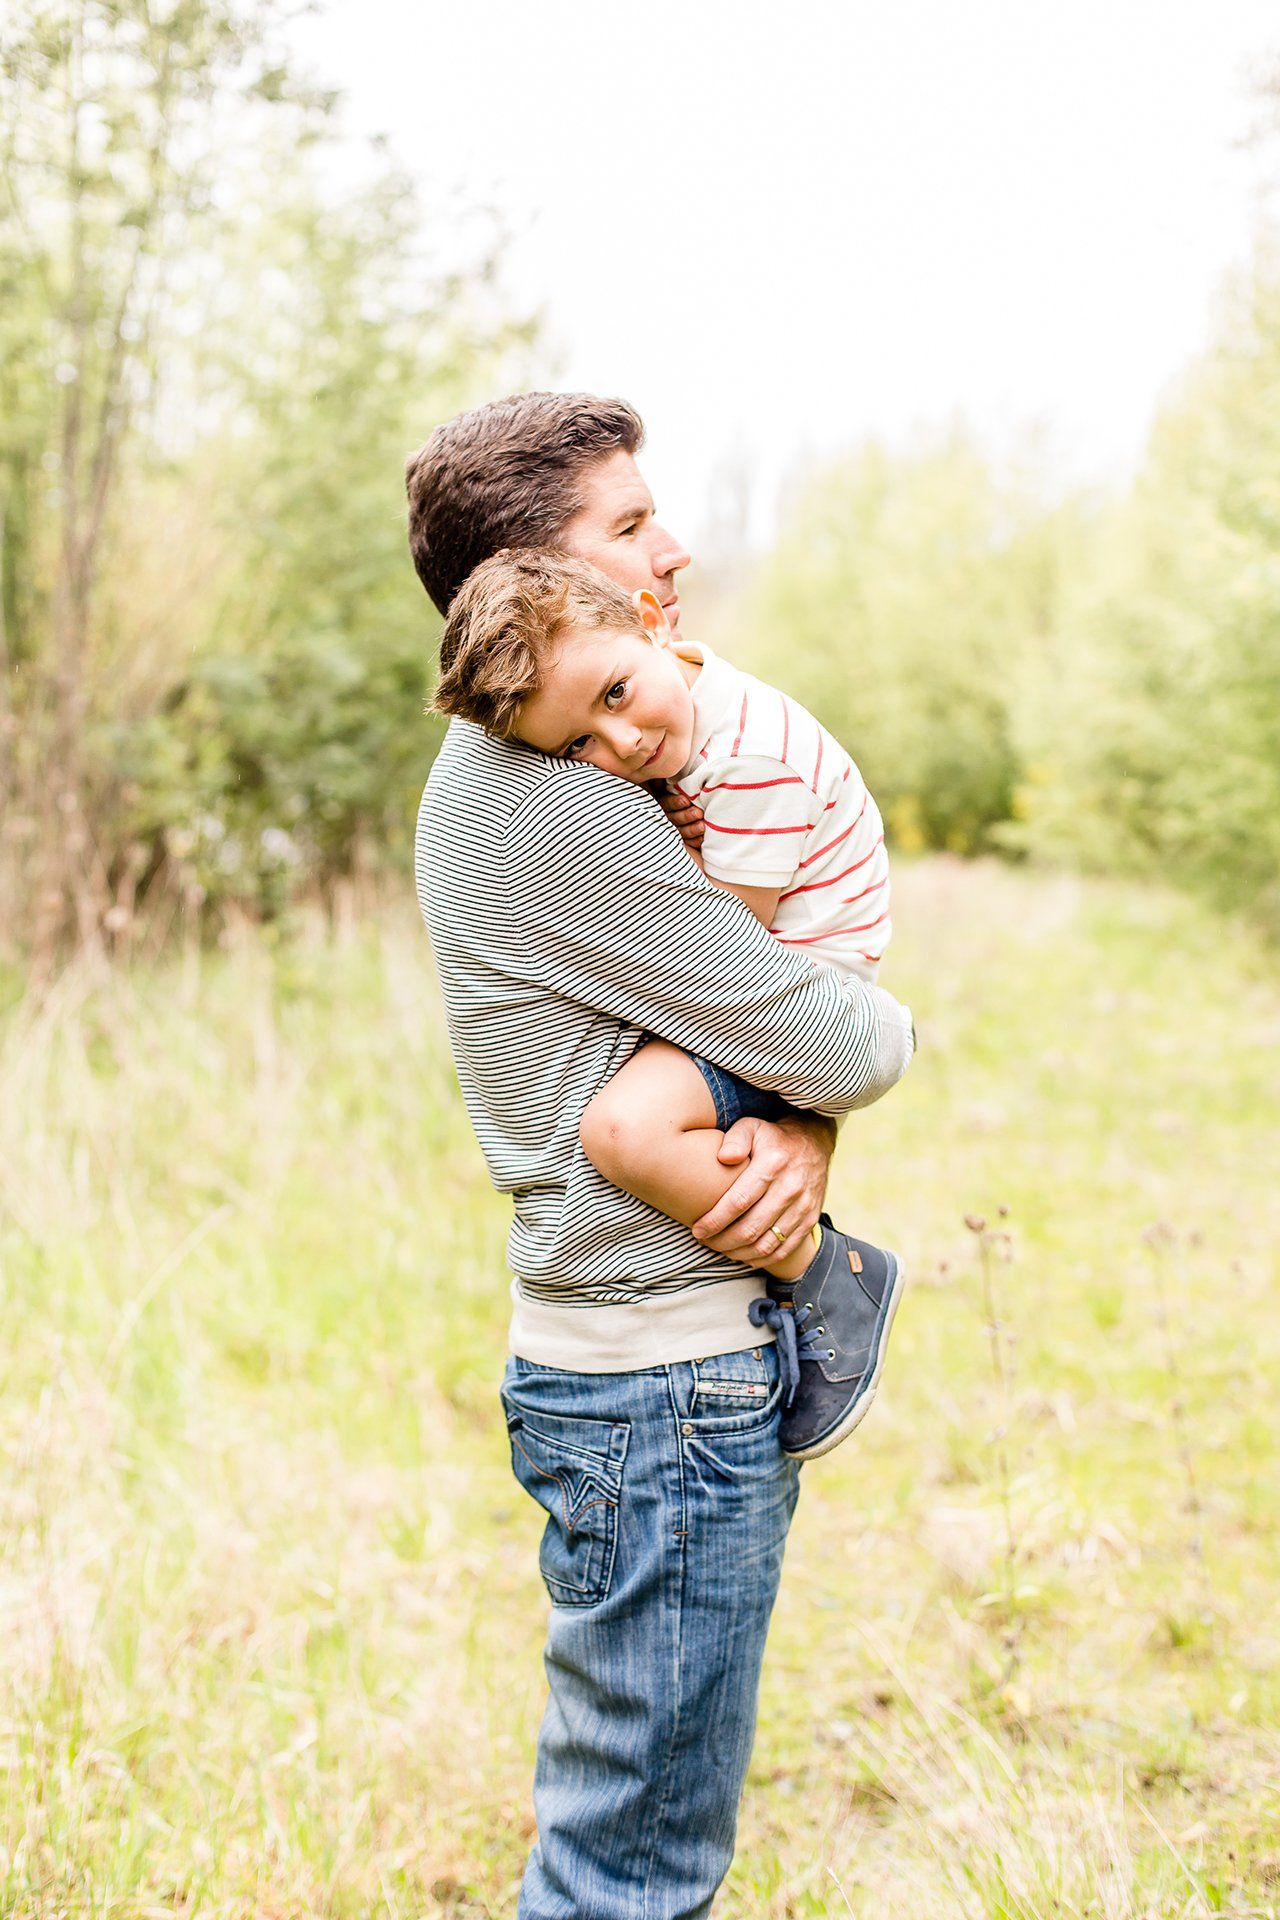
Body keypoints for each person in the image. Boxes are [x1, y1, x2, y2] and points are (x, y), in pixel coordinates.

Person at [406, 392, 915, 1918]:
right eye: (629, 526)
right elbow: (841, 1036)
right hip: (660, 1389)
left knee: (632, 1833)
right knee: (631, 1869)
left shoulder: (564, 766)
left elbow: (760, 997)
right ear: (531, 577)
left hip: (644, 1375)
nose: (672, 548)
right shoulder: (558, 807)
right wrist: (845, 1073)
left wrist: (799, 1117)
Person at [431, 546, 909, 1459]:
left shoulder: (756, 763)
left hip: (810, 975)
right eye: (578, 745)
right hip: (772, 971)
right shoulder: (684, 723)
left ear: (655, 621)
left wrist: (673, 861)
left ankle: (829, 1274)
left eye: (616, 696)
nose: (620, 748)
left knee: (625, 1131)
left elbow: (731, 962)